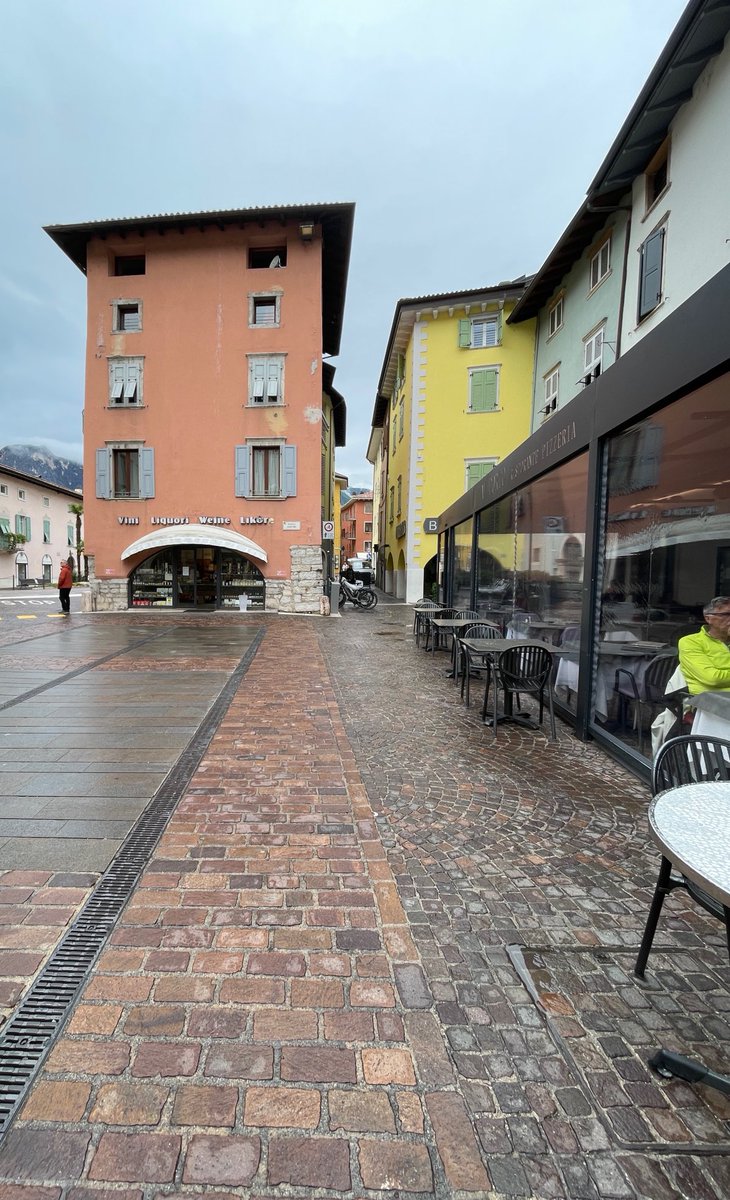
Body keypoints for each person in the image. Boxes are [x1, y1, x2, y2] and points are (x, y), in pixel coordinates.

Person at [677, 595, 730, 694]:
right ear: (708, 618)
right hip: (712, 699)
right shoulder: (691, 642)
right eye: (726, 614)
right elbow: (713, 679)